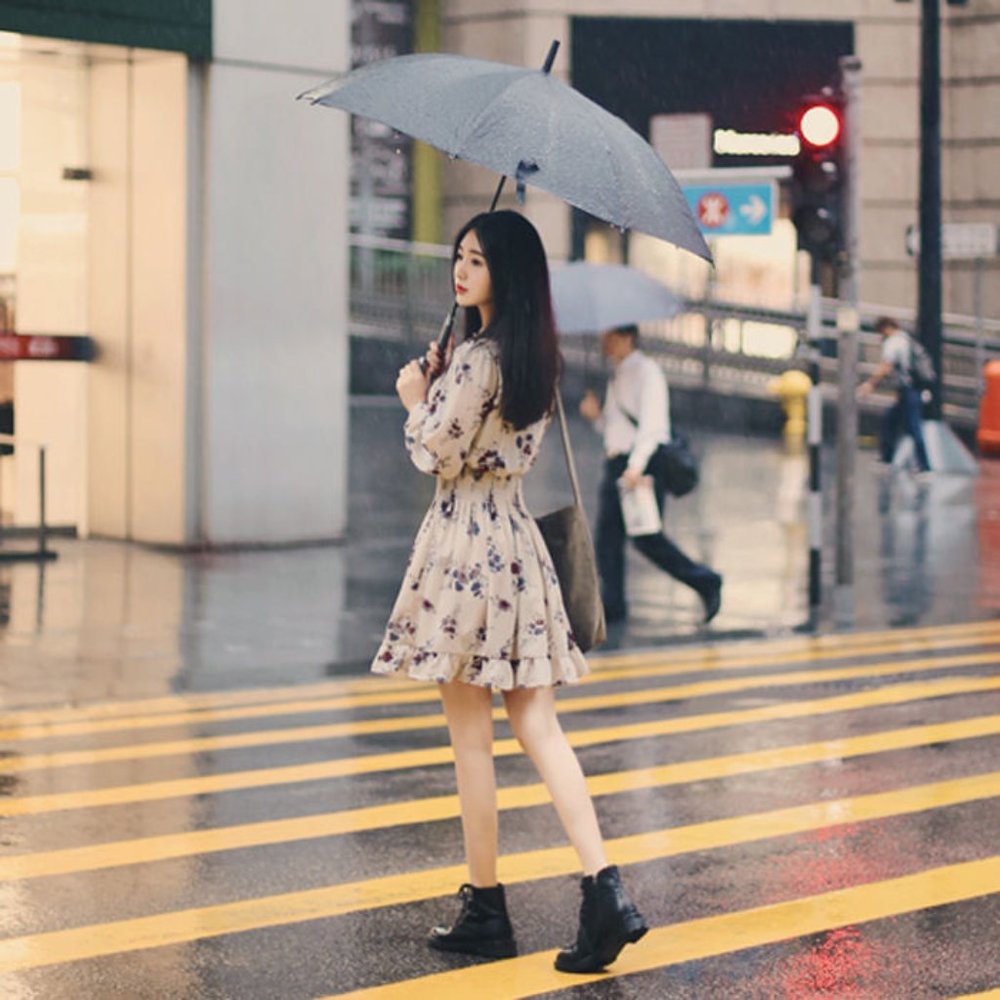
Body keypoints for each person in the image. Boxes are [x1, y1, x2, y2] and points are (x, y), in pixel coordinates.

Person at [373, 210, 647, 973]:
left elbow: (436, 454)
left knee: (472, 741)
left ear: (509, 275)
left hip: (463, 551)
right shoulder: (535, 357)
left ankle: (488, 907)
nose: (462, 271)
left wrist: (413, 396)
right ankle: (605, 891)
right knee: (541, 730)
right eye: (459, 256)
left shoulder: (473, 361)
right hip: (519, 551)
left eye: (479, 261)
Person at [580, 324, 722, 626]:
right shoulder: (617, 374)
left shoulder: (648, 372)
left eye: (610, 337)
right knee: (607, 539)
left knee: (647, 538)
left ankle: (705, 580)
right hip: (617, 462)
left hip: (641, 466)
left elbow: (654, 426)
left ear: (627, 337)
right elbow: (617, 429)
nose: (604, 342)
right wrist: (598, 418)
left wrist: (636, 466)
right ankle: (613, 605)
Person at [858, 316, 931, 473]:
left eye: (881, 331)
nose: (880, 336)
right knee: (890, 421)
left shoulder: (893, 342)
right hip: (909, 390)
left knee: (913, 427)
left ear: (886, 328)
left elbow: (886, 366)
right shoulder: (906, 339)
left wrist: (870, 384)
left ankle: (924, 466)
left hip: (909, 391)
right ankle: (887, 457)